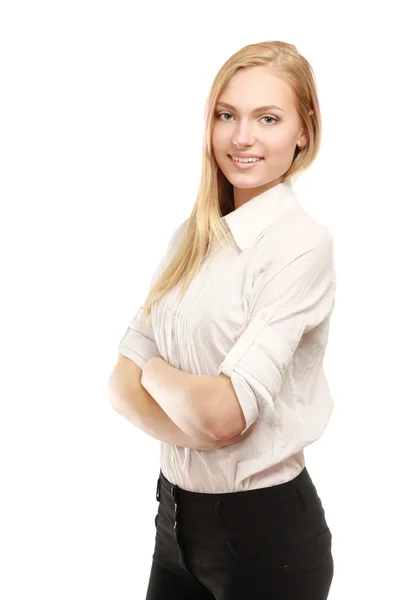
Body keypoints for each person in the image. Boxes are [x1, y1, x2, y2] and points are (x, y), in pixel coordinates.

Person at [108, 40, 336, 600]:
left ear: (303, 130)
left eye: (268, 118)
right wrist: (201, 422)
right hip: (174, 523)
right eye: (226, 115)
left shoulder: (300, 244)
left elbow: (226, 415)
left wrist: (155, 369)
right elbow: (118, 386)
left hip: (266, 540)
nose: (242, 137)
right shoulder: (190, 237)